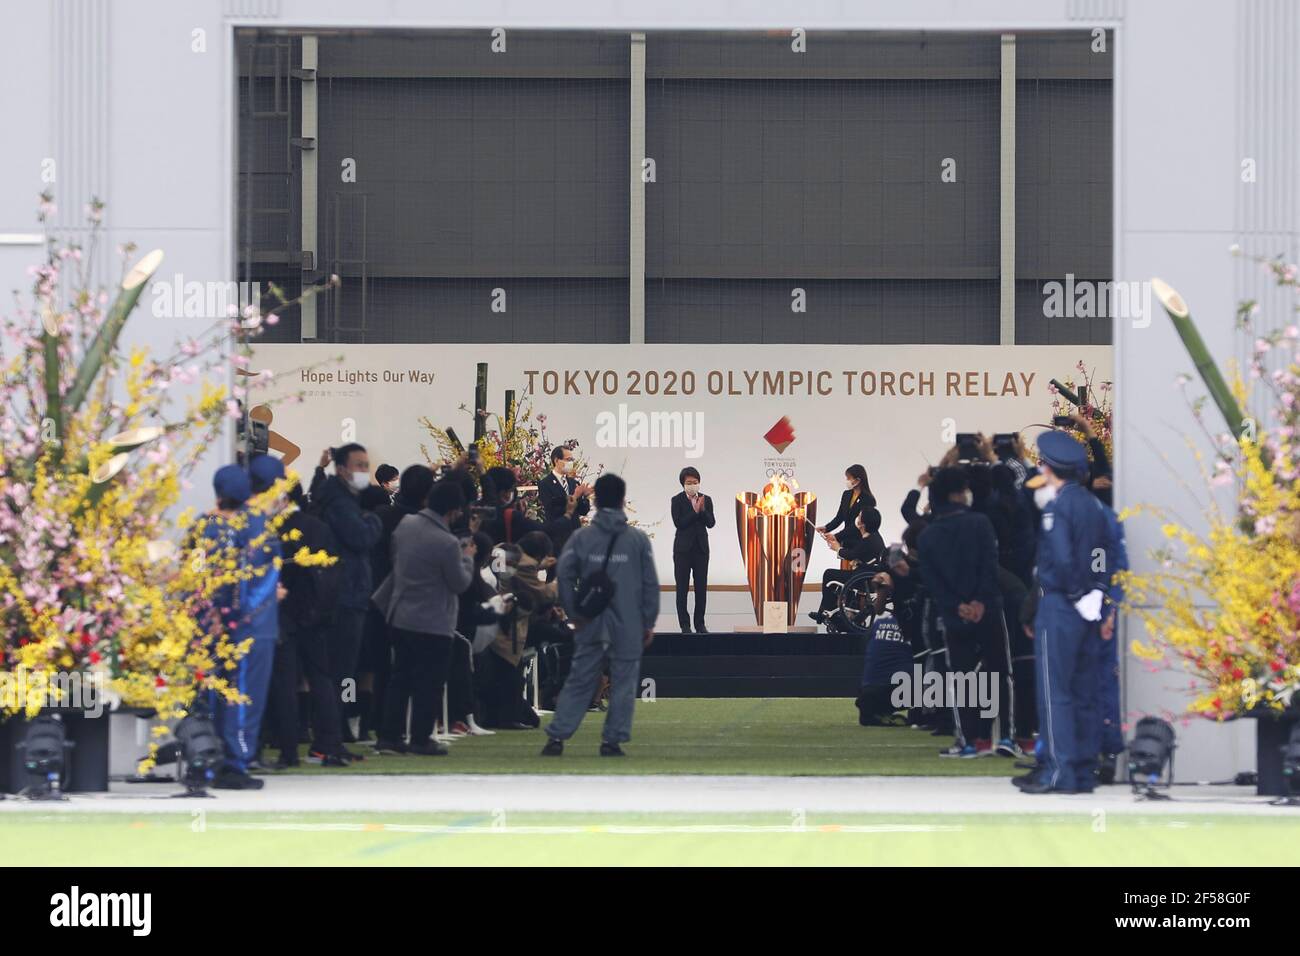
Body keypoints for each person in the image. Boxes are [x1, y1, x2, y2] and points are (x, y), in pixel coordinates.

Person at [1015, 431, 1114, 795]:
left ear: (1048, 467)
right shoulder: (1093, 506)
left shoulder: (1058, 507)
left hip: (1060, 605)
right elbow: (1106, 556)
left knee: (1056, 691)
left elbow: (1061, 558)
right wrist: (1096, 595)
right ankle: (1084, 769)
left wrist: (1074, 594)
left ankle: (1059, 770)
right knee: (1085, 689)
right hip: (1089, 607)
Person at [542, 473, 659, 757]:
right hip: (629, 621)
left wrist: (573, 612)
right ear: (622, 500)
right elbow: (649, 584)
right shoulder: (637, 540)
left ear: (594, 501)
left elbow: (565, 576)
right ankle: (612, 741)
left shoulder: (582, 537)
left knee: (580, 677)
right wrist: (648, 621)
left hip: (590, 619)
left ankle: (557, 737)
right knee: (623, 681)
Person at [916, 467, 1017, 759]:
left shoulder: (928, 536)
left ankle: (970, 740)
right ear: (958, 494)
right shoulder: (980, 523)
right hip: (988, 609)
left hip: (953, 614)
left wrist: (957, 605)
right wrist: (980, 602)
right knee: (999, 673)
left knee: (961, 677)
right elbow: (989, 565)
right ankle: (1006, 737)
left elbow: (932, 580)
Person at [372, 480, 476, 756]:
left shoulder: (406, 525)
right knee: (429, 683)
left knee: (400, 679)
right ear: (454, 510)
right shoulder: (447, 543)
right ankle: (420, 738)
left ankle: (389, 737)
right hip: (433, 620)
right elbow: (460, 583)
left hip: (400, 613)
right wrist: (467, 557)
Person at [200, 464, 282, 789]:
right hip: (252, 624)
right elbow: (268, 574)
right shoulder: (258, 525)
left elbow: (195, 573)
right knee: (245, 693)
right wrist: (240, 612)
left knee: (217, 692)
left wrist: (212, 611)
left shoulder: (204, 525)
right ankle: (236, 762)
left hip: (212, 624)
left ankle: (213, 758)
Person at [312, 443, 382, 749]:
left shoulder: (335, 498)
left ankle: (332, 734)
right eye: (359, 465)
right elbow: (361, 537)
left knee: (340, 670)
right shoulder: (341, 504)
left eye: (367, 466)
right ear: (341, 469)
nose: (364, 472)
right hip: (345, 594)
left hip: (342, 591)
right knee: (341, 669)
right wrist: (373, 520)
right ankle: (331, 736)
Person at [810, 508, 887, 624]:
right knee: (834, 575)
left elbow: (852, 554)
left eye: (859, 516)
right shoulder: (874, 537)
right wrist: (836, 541)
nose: (857, 518)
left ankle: (826, 610)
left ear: (862, 524)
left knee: (829, 574)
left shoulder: (869, 540)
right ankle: (827, 611)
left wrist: (837, 548)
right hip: (866, 576)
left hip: (863, 579)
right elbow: (859, 553)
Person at [670, 467, 714, 633]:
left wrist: (701, 510)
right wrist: (694, 512)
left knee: (701, 587)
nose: (692, 485)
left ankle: (700, 623)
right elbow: (679, 522)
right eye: (689, 483)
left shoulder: (706, 499)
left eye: (695, 482)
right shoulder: (677, 500)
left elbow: (711, 522)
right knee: (682, 587)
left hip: (701, 550)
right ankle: (685, 624)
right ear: (683, 484)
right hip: (682, 551)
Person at [538, 446, 592, 546]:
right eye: (568, 460)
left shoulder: (573, 483)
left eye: (572, 460)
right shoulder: (545, 483)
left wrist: (584, 497)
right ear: (557, 460)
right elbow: (551, 509)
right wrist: (575, 496)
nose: (571, 463)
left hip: (575, 536)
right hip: (558, 536)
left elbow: (583, 511)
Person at [817, 464, 875, 552]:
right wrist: (826, 528)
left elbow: (858, 524)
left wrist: (837, 536)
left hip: (859, 542)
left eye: (849, 478)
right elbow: (840, 517)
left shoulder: (868, 499)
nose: (847, 481)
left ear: (857, 480)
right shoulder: (846, 495)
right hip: (846, 542)